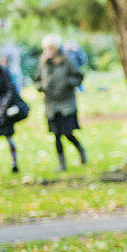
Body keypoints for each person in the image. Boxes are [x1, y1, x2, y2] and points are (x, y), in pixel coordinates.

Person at [33, 34, 86, 171]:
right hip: (51, 103)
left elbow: (78, 77)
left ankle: (80, 149)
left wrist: (67, 83)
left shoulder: (66, 60)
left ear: (56, 48)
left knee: (68, 132)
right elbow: (36, 79)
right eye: (46, 48)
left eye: (51, 48)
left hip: (66, 102)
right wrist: (41, 87)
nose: (49, 51)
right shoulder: (43, 63)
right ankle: (62, 164)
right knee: (56, 134)